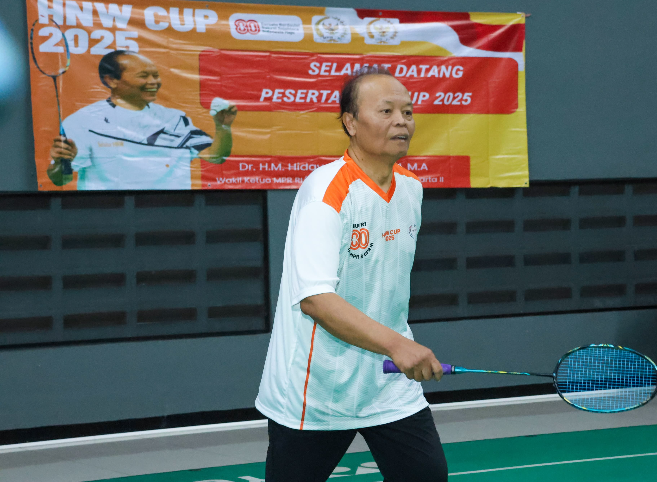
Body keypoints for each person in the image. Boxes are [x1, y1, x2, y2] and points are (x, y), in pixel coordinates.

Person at [255, 67, 449, 482]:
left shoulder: (411, 188)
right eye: (386, 111)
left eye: (408, 112)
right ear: (350, 122)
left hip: (387, 382)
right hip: (317, 386)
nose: (402, 121)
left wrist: (396, 345)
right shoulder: (326, 192)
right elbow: (316, 300)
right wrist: (397, 344)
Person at [47, 50, 237, 190]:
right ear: (112, 80)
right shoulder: (83, 121)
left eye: (155, 75)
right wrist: (60, 163)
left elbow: (216, 156)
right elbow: (60, 180)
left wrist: (223, 127)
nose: (154, 82)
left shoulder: (174, 119)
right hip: (112, 215)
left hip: (173, 214)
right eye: (143, 76)